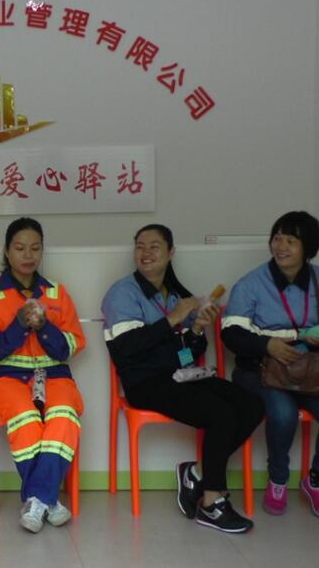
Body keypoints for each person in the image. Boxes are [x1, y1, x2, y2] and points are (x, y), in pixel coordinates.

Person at [103, 223, 264, 533]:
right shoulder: (122, 293)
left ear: (171, 252)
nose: (146, 253)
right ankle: (211, 503)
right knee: (221, 414)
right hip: (145, 382)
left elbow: (188, 353)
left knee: (253, 405)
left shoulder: (178, 294)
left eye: (154, 246)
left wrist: (198, 329)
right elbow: (126, 348)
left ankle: (197, 473)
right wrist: (173, 318)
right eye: (140, 246)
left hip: (182, 374)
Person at [0, 217, 85, 534]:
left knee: (65, 415)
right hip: (2, 377)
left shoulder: (56, 292)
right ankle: (49, 500)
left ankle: (37, 499)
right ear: (7, 251)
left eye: (35, 248)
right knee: (26, 418)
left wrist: (45, 327)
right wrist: (19, 325)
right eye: (20, 248)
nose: (28, 255)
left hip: (52, 375)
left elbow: (70, 347)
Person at [222, 211, 319, 518]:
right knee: (283, 412)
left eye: (291, 241)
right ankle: (278, 479)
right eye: (277, 238)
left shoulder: (317, 279)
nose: (281, 246)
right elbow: (231, 334)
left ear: (308, 247)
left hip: (309, 371)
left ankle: (315, 480)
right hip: (260, 370)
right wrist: (268, 345)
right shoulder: (251, 284)